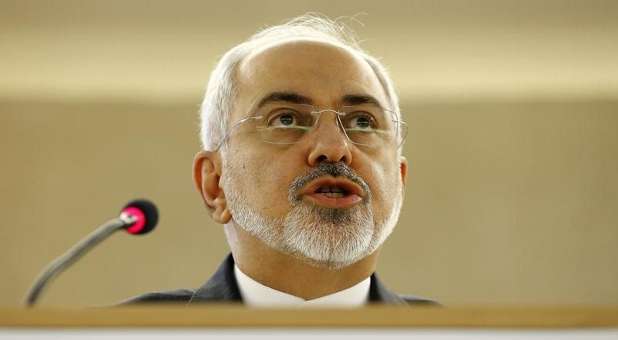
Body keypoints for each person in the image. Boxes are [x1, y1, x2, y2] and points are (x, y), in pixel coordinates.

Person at [126, 14, 435, 307]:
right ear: (215, 185)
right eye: (286, 119)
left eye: (363, 122)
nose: (334, 148)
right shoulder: (120, 333)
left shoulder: (458, 333)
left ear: (400, 180)